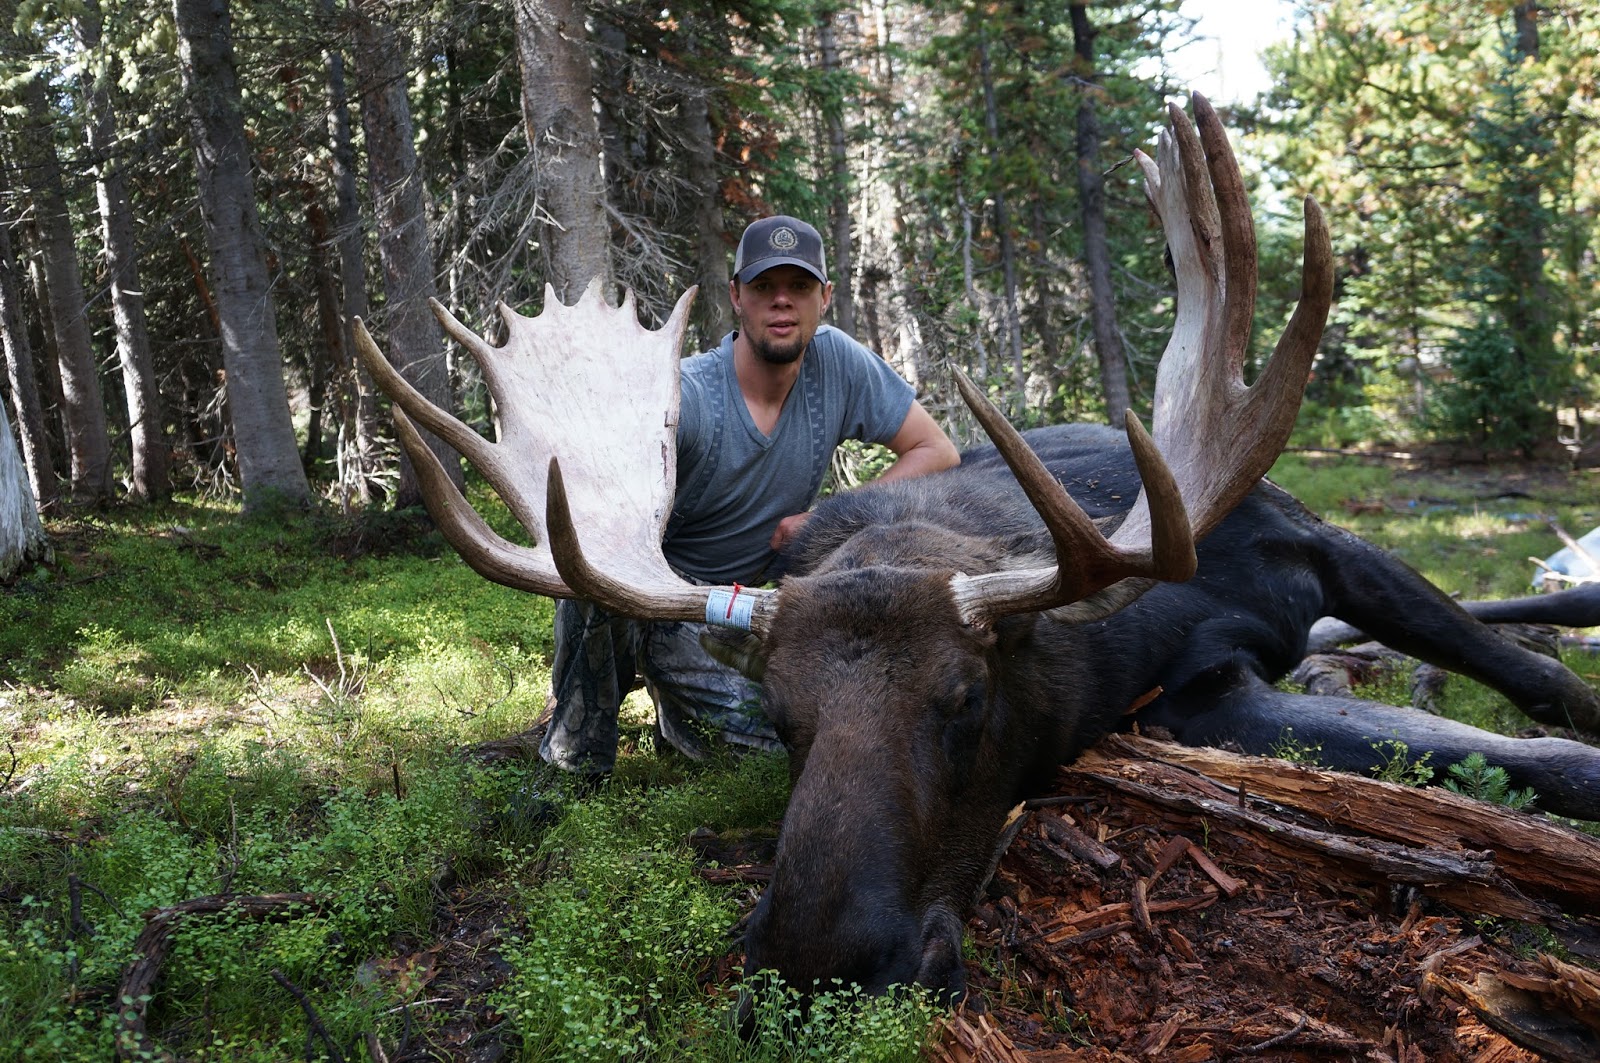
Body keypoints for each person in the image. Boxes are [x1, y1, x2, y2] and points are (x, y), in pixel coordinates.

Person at [540, 215, 961, 778]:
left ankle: (678, 700)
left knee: (781, 740)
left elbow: (936, 450)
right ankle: (573, 765)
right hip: (650, 594)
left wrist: (830, 518)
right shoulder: (684, 396)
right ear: (737, 296)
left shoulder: (838, 364)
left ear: (825, 298)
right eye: (764, 288)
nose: (782, 303)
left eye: (799, 288)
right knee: (592, 587)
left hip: (739, 610)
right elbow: (594, 510)